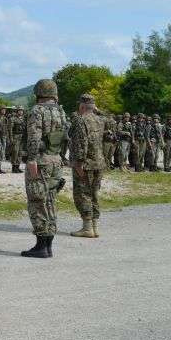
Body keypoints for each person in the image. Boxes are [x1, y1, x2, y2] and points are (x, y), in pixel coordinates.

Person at [21, 79, 68, 259]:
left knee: (37, 200)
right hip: (55, 159)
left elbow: (34, 136)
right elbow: (65, 137)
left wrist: (32, 159)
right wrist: (60, 157)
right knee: (50, 200)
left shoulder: (37, 111)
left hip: (40, 160)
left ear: (38, 93)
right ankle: (47, 245)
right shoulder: (60, 111)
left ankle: (41, 246)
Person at [70, 93, 105, 238]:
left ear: (82, 106)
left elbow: (80, 144)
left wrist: (78, 163)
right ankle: (95, 228)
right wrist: (96, 110)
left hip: (86, 164)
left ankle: (87, 228)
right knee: (94, 194)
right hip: (99, 163)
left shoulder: (80, 120)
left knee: (83, 195)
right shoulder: (100, 120)